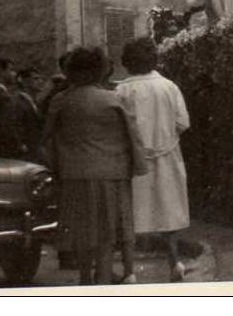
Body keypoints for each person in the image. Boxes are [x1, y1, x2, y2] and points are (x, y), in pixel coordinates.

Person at [41, 47, 147, 285]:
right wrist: (136, 167)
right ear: (100, 70)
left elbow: (47, 139)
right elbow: (133, 137)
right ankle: (103, 277)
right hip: (111, 174)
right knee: (107, 231)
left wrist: (58, 167)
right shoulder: (114, 99)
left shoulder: (61, 100)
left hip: (74, 175)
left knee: (81, 230)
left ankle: (85, 277)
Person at [117, 37, 192, 282]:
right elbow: (183, 123)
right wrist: (163, 138)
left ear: (127, 62)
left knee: (131, 214)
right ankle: (175, 263)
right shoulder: (169, 87)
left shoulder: (121, 90)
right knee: (167, 211)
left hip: (133, 161)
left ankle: (129, 271)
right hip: (167, 157)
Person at [15, 68, 45, 163]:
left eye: (40, 79)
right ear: (24, 82)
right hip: (27, 155)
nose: (41, 81)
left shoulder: (34, 103)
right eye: (35, 79)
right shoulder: (19, 103)